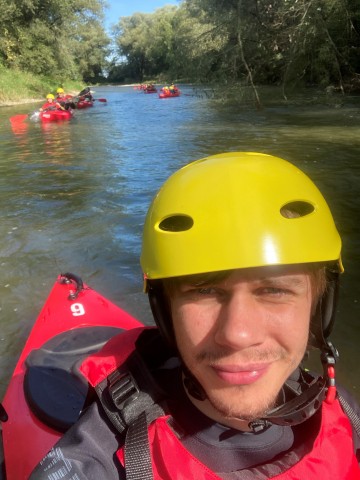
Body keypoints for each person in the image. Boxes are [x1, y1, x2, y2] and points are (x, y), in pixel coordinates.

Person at [30, 152, 360, 479]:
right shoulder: (100, 459)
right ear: (165, 311)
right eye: (204, 291)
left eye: (275, 291)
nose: (237, 334)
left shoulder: (347, 412)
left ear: (319, 307)